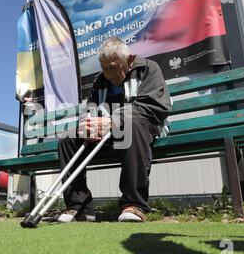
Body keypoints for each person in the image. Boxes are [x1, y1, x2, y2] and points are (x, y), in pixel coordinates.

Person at [56, 36, 172, 223]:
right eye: (104, 68)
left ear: (128, 60)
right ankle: (79, 208)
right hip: (109, 133)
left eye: (113, 67)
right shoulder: (100, 81)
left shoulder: (148, 69)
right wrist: (88, 124)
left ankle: (133, 205)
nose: (108, 73)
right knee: (68, 139)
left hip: (144, 126)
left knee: (131, 126)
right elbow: (90, 109)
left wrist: (113, 120)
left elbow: (154, 105)